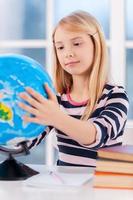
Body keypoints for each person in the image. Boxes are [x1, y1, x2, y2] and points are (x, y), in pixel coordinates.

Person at [18, 10, 129, 167]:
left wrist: (56, 117)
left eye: (76, 44)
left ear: (96, 46)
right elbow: (28, 142)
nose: (68, 53)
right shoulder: (57, 100)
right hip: (67, 188)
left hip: (102, 189)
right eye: (60, 47)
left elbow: (96, 137)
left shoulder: (115, 96)